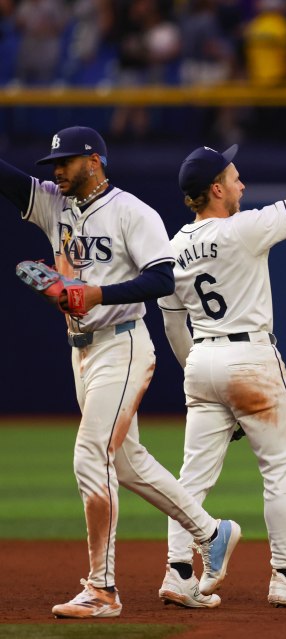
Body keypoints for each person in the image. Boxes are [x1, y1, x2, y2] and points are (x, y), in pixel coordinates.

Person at [0, 126, 241, 618]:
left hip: (123, 345)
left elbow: (161, 276)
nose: (58, 172)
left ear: (94, 161)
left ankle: (103, 589)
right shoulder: (55, 204)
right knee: (126, 464)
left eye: (66, 162)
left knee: (91, 455)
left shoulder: (132, 211)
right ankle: (212, 533)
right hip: (81, 352)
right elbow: (8, 181)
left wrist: (96, 294)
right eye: (54, 165)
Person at [156, 89, 286, 608]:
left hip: (202, 361)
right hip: (251, 359)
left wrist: (201, 372)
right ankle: (283, 578)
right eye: (233, 177)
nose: (241, 182)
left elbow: (171, 326)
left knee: (190, 479)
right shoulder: (242, 228)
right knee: (280, 470)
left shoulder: (170, 248)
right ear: (216, 189)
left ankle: (176, 574)